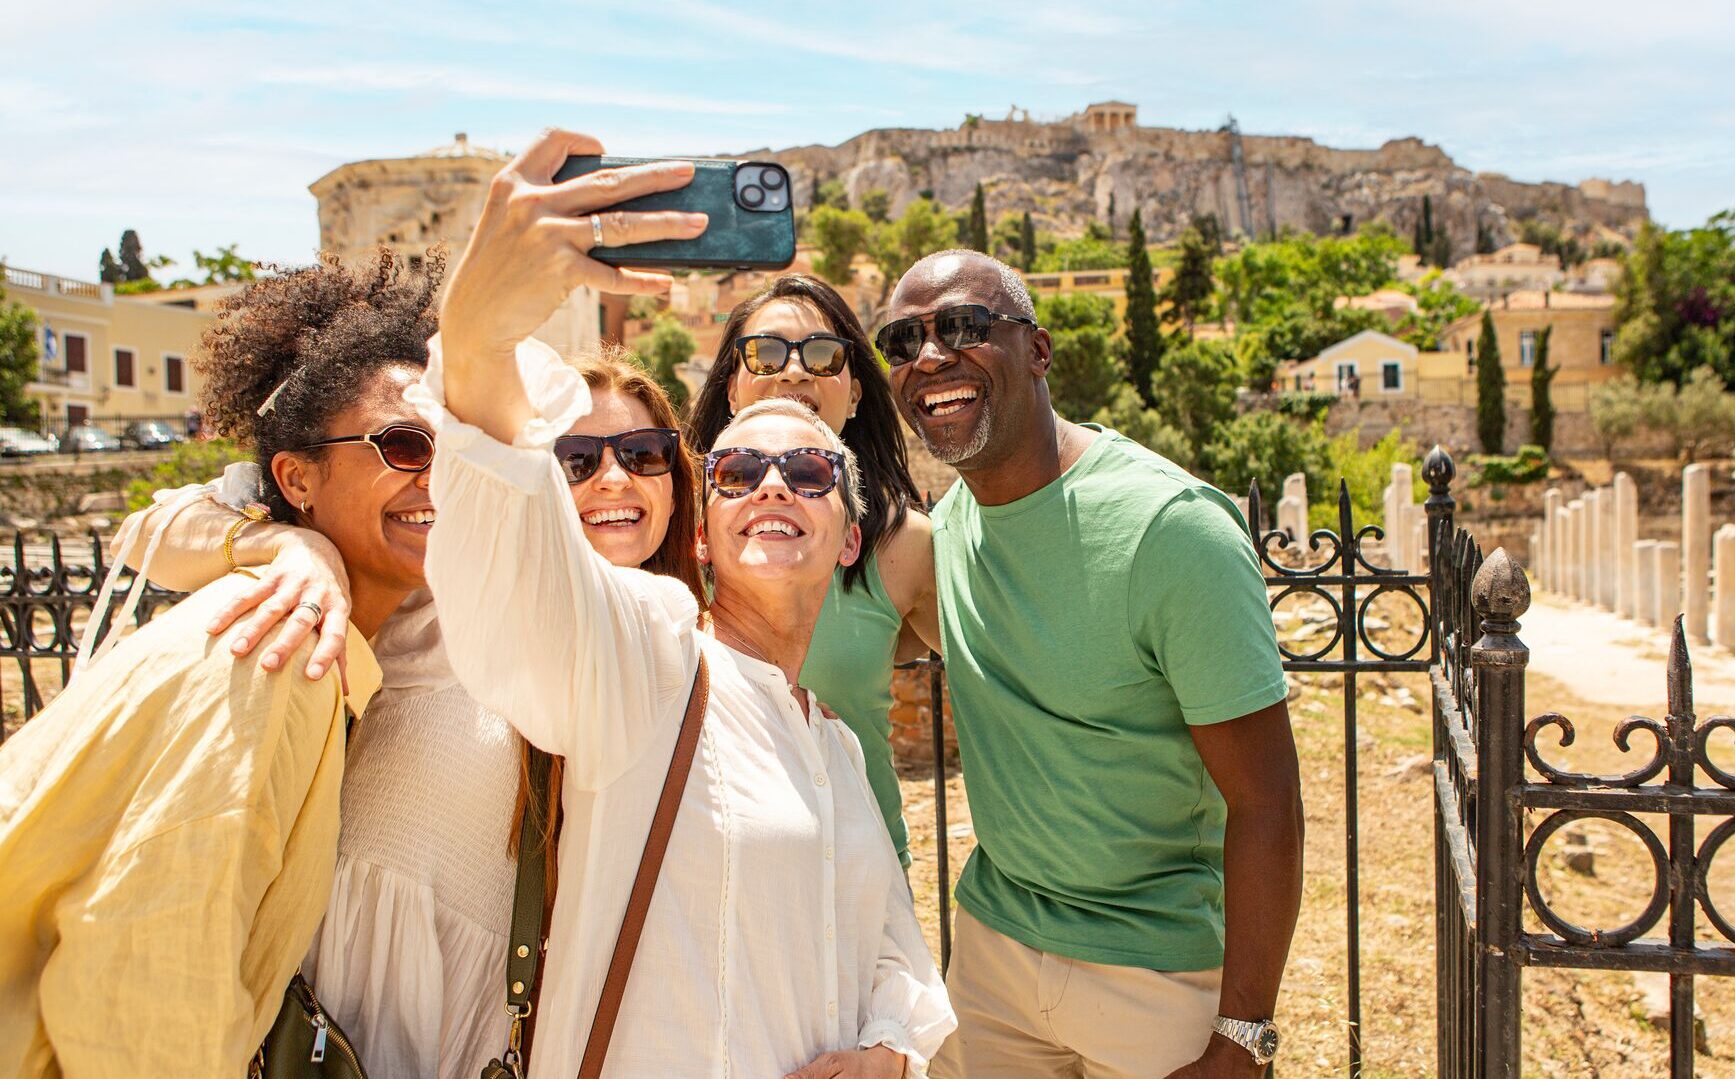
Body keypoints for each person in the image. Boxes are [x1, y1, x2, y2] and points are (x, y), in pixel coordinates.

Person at [417, 128, 953, 1076]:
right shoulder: (649, 660)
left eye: (810, 470)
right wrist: (476, 340)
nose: (775, 485)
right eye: (740, 468)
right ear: (701, 536)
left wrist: (890, 1045)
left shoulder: (832, 744)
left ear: (853, 537)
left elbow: (887, 939)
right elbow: (523, 590)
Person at [106, 345, 704, 1078]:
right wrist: (291, 546)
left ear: (676, 483)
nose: (614, 477)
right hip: (359, 1012)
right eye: (575, 457)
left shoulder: (696, 664)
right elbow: (150, 529)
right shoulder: (448, 598)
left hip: (525, 1027)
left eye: (645, 453)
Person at [0, 252, 442, 1075]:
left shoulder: (331, 627)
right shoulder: (271, 650)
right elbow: (150, 995)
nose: (440, 473)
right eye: (406, 444)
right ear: (296, 478)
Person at [877, 249, 1304, 1078]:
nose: (930, 357)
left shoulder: (1172, 529)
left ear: (1038, 352)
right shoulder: (949, 528)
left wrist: (1244, 1035)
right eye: (903, 341)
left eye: (963, 326)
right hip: (993, 961)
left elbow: (1268, 800)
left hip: (1156, 973)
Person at [687, 273, 938, 869]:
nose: (795, 372)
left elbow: (1005, 682)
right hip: (704, 885)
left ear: (854, 395)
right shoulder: (667, 534)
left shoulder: (904, 548)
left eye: (824, 356)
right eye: (766, 353)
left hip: (861, 883)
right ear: (730, 389)